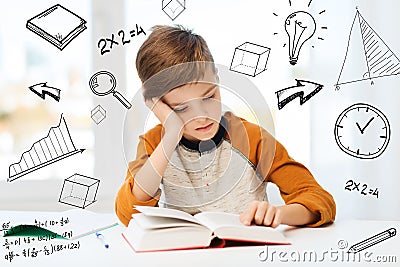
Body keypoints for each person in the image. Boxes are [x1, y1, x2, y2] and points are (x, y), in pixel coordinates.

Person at [115, 25, 336, 228]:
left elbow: (319, 200)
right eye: (182, 109)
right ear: (156, 103)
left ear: (217, 79)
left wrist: (278, 214)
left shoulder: (251, 138)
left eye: (209, 96)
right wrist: (172, 132)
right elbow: (129, 213)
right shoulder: (154, 144)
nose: (202, 117)